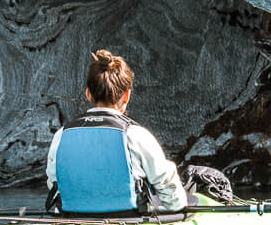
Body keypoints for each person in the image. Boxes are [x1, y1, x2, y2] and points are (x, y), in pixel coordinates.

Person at [45, 49, 189, 214]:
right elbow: (167, 185)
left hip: (73, 218)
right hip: (128, 220)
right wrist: (178, 208)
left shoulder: (61, 135)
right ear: (127, 96)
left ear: (88, 94)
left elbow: (54, 183)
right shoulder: (136, 136)